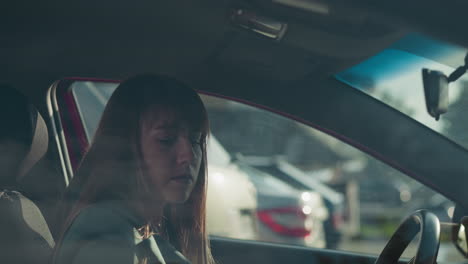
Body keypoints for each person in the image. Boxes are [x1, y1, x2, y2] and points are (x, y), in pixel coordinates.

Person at [53, 74, 215, 264]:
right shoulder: (106, 239)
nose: (189, 155)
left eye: (196, 140)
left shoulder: (149, 228)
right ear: (125, 148)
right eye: (166, 140)